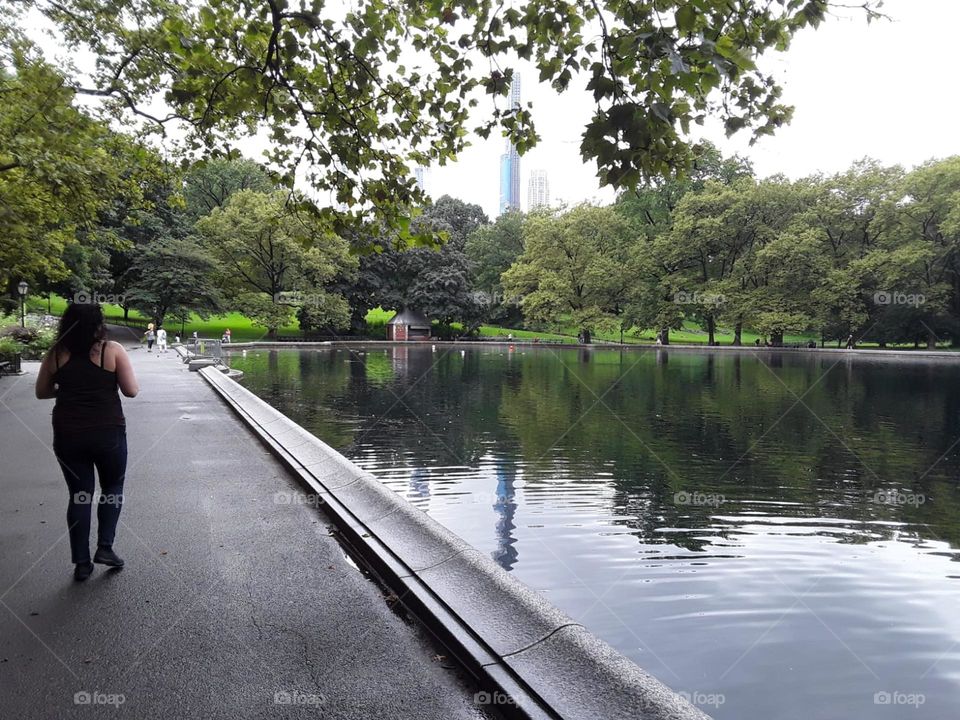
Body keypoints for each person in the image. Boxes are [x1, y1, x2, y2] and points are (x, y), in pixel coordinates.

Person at [34, 302, 139, 581]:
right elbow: (131, 391)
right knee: (112, 487)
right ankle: (105, 547)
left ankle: (81, 563)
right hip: (108, 432)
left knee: (80, 494)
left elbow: (42, 391)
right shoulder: (111, 350)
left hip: (68, 434)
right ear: (98, 324)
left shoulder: (56, 354)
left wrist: (67, 389)